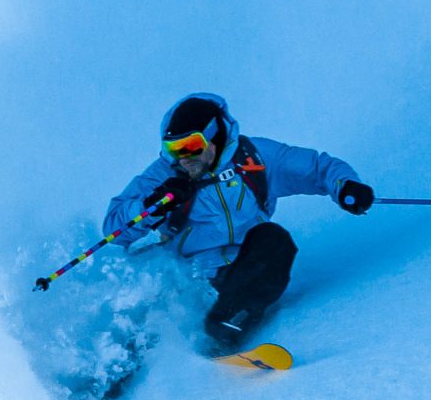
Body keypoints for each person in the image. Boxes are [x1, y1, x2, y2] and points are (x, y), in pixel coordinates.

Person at [103, 92, 373, 348]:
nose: (183, 158)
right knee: (155, 303)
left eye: (191, 146)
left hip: (242, 274)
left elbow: (317, 167)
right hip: (189, 278)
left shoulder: (255, 159)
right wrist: (152, 205)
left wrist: (346, 186)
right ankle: (108, 376)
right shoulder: (162, 176)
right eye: (174, 148)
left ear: (215, 137)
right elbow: (114, 229)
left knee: (275, 239)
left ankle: (223, 331)